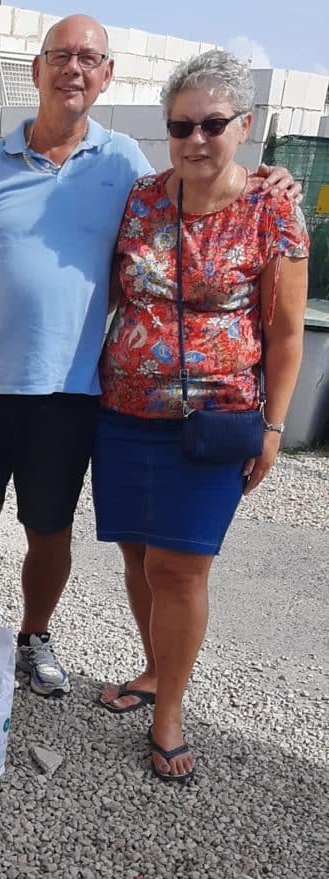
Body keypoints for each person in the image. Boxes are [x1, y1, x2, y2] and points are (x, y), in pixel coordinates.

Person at [0, 14, 297, 699]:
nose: (74, 68)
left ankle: (33, 636)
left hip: (71, 392)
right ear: (36, 70)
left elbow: (199, 194)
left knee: (49, 529)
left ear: (108, 76)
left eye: (90, 57)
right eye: (60, 55)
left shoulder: (124, 164)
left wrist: (272, 181)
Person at [93, 50, 308, 781]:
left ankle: (171, 708)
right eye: (180, 125)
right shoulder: (144, 198)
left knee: (180, 568)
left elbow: (284, 334)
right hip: (123, 413)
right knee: (134, 554)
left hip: (215, 420)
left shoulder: (273, 208)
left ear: (243, 126)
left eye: (212, 124)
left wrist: (274, 426)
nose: (196, 139)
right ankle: (155, 666)